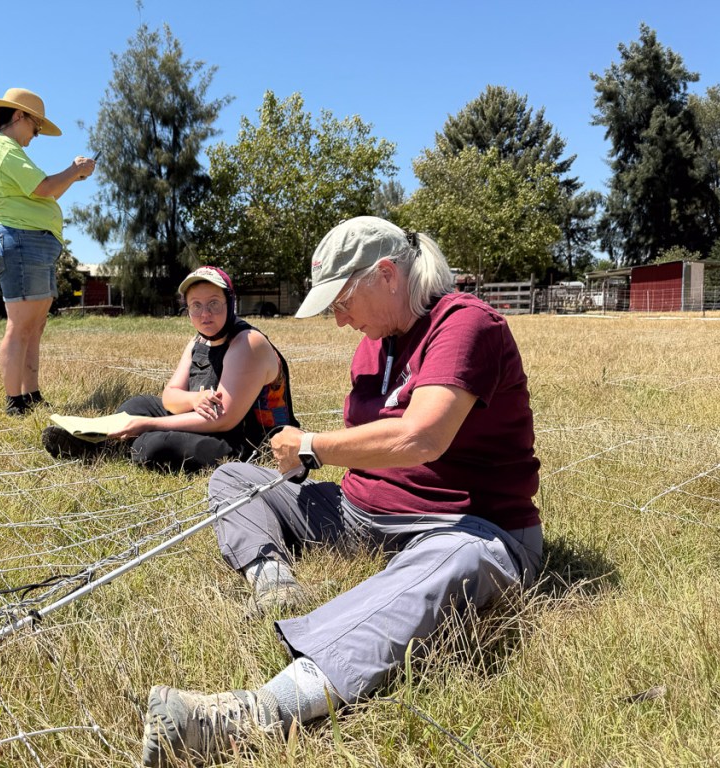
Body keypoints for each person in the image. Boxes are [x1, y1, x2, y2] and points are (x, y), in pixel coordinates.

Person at [140, 217, 543, 767]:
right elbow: (366, 437)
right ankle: (272, 581)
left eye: (342, 300)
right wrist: (305, 458)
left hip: (461, 526)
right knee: (236, 477)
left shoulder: (467, 326)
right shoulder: (373, 344)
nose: (338, 318)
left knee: (460, 560)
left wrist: (313, 447)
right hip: (358, 512)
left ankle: (257, 712)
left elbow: (422, 436)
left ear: (387, 276)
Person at [42, 266, 299, 473]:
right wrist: (194, 398)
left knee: (158, 445)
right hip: (209, 423)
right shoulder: (199, 340)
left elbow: (225, 419)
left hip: (249, 442)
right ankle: (105, 440)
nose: (205, 314)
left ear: (230, 303)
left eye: (214, 303)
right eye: (195, 305)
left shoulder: (247, 343)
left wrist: (149, 425)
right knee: (138, 404)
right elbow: (170, 396)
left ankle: (109, 446)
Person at [0, 87, 96, 416]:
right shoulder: (1, 145)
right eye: (36, 126)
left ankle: (30, 395)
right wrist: (75, 169)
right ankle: (15, 401)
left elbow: (44, 192)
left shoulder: (7, 148)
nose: (36, 134)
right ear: (19, 116)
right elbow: (44, 188)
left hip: (33, 241)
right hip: (19, 239)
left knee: (34, 325)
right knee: (21, 325)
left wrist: (74, 174)